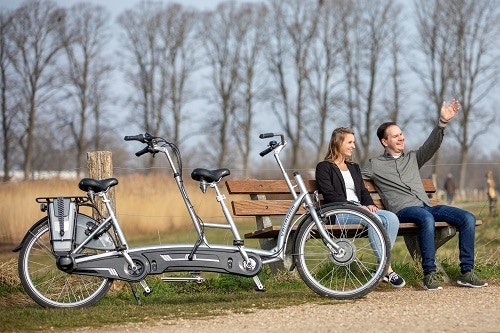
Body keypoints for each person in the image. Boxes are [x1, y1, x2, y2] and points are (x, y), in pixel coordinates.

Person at [362, 99, 487, 290]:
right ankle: (429, 274)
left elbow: (431, 145)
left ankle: (467, 272)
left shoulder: (413, 158)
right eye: (395, 136)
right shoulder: (375, 164)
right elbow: (355, 180)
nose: (401, 138)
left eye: (401, 134)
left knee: (467, 218)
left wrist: (442, 123)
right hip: (402, 210)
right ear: (384, 141)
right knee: (426, 218)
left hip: (426, 205)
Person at [316, 127, 405, 288]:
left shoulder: (354, 167)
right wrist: (356, 209)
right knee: (374, 219)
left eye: (354, 142)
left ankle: (380, 268)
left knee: (392, 218)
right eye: (350, 142)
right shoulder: (324, 167)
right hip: (339, 212)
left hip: (360, 209)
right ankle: (388, 270)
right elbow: (329, 195)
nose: (353, 146)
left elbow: (363, 191)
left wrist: (369, 204)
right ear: (338, 143)